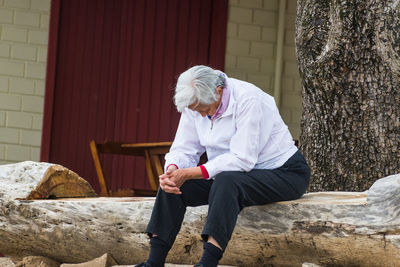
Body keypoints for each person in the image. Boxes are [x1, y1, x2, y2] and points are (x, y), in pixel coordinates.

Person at [136, 65, 310, 267]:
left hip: (284, 173)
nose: (201, 115)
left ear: (218, 91)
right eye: (195, 110)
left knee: (227, 181)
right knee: (174, 185)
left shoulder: (249, 99)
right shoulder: (197, 101)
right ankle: (153, 262)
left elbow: (243, 158)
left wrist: (194, 172)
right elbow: (184, 148)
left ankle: (207, 263)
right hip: (235, 175)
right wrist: (173, 169)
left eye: (204, 109)